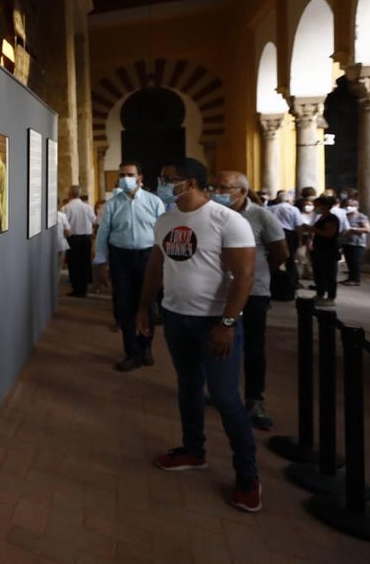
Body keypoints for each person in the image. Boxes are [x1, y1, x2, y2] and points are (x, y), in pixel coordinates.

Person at [136, 158, 261, 512]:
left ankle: (247, 474)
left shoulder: (227, 221)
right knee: (188, 386)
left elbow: (244, 276)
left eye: (167, 178)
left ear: (190, 183)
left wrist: (226, 323)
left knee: (224, 397)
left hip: (214, 322)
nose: (161, 183)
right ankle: (193, 450)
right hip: (177, 317)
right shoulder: (166, 219)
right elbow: (157, 265)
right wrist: (145, 306)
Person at [210, 171, 289, 431]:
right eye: (216, 186)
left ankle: (255, 398)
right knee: (219, 341)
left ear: (242, 192)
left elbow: (280, 252)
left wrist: (258, 273)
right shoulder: (212, 213)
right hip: (219, 291)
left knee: (253, 346)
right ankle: (221, 391)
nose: (218, 191)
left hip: (253, 293)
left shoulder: (261, 216)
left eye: (225, 188)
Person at [93, 161, 165, 371]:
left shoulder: (154, 202)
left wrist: (164, 263)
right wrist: (101, 262)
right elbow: (103, 234)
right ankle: (131, 352)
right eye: (122, 174)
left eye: (130, 174)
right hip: (120, 258)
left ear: (140, 177)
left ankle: (146, 348)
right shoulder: (112, 204)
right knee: (124, 306)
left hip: (147, 257)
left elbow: (162, 233)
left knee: (148, 304)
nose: (125, 178)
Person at [303, 196, 341, 306]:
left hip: (329, 250)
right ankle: (320, 293)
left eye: (317, 205)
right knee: (319, 273)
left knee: (329, 274)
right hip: (319, 249)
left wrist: (312, 229)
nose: (315, 208)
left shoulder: (332, 218)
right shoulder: (321, 217)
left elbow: (329, 234)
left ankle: (331, 296)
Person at [61, 185, 96, 297]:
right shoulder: (88, 207)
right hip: (86, 238)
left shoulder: (66, 208)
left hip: (73, 239)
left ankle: (76, 289)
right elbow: (94, 221)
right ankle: (84, 288)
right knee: (85, 263)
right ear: (80, 194)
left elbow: (63, 225)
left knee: (74, 264)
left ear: (69, 194)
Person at [342, 198, 370, 286]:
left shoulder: (361, 216)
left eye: (351, 206)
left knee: (355, 262)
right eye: (347, 205)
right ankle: (350, 278)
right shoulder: (345, 216)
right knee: (349, 261)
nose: (348, 207)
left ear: (356, 207)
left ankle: (355, 279)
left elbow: (367, 229)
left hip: (357, 243)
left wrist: (353, 229)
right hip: (347, 242)